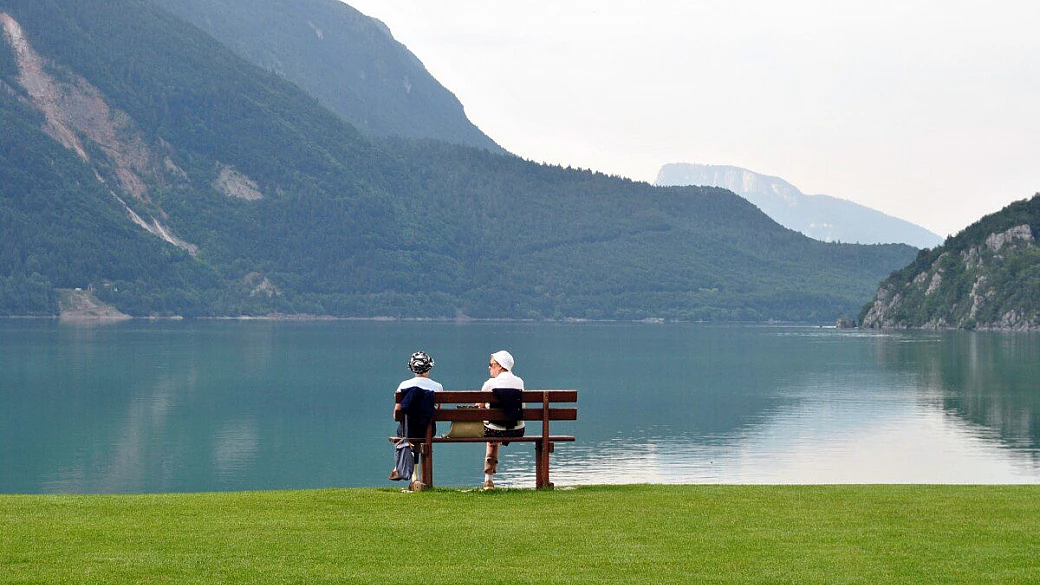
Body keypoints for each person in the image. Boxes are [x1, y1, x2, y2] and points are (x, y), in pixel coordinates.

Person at [391, 351, 442, 490]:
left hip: (408, 430)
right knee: (416, 438)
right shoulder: (437, 386)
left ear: (412, 368)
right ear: (429, 367)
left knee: (406, 436)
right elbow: (437, 410)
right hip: (428, 431)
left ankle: (403, 470)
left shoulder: (404, 385)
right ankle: (414, 477)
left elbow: (397, 413)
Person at [479, 350, 525, 489]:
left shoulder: (490, 383)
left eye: (491, 364)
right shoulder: (519, 382)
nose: (489, 367)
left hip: (495, 431)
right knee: (495, 428)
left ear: (499, 366)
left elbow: (479, 406)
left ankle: (488, 479)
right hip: (517, 430)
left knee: (492, 437)